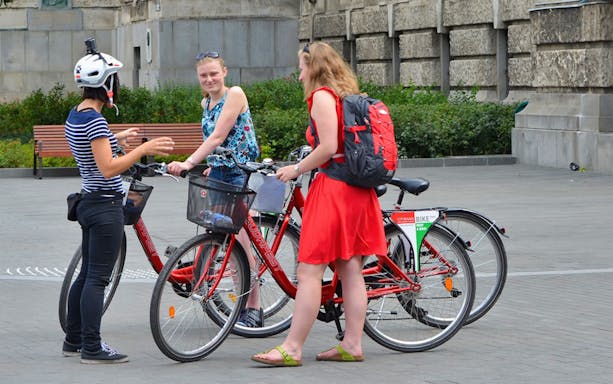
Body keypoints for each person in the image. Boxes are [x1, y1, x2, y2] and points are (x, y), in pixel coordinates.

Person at [250, 41, 387, 367]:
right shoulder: (342, 96)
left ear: (314, 68)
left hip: (334, 192)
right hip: (355, 191)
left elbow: (328, 147)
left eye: (301, 68)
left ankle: (292, 348)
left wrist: (296, 168)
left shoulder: (321, 97)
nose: (298, 75)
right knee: (351, 269)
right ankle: (352, 344)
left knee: (309, 271)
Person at [63, 39, 175, 364]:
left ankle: (73, 340)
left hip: (88, 202)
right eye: (115, 80)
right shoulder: (95, 122)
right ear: (106, 85)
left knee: (86, 276)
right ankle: (92, 347)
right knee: (97, 278)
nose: (118, 86)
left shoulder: (78, 115)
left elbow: (95, 145)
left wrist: (117, 138)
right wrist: (143, 148)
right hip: (105, 207)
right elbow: (108, 166)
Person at [166, 51, 262, 327]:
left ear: (224, 72)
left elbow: (220, 134)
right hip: (220, 173)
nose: (209, 79)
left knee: (241, 244)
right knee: (221, 239)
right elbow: (215, 141)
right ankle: (233, 300)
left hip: (239, 175)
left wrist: (189, 162)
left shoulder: (236, 94)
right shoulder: (206, 102)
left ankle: (253, 307)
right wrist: (212, 163)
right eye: (203, 75)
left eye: (213, 73)